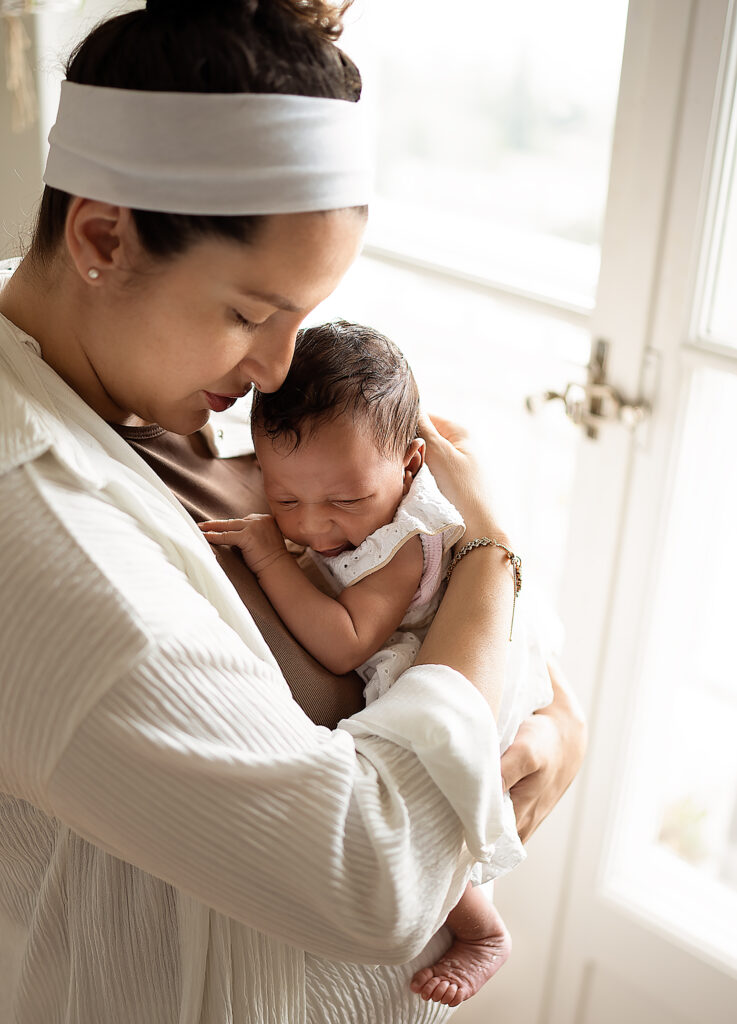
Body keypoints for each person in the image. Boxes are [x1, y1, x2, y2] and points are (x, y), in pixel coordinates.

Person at [0, 3, 586, 1023]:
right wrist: (496, 554)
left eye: (299, 316)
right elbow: (372, 874)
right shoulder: (45, 534)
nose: (277, 371)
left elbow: (518, 695)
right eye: (248, 314)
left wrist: (552, 729)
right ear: (101, 236)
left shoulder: (139, 371)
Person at [199, 320, 559, 1007]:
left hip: (456, 668)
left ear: (412, 463)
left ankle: (482, 929)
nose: (313, 526)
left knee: (429, 773)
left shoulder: (406, 541)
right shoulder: (340, 489)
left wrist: (272, 554)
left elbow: (345, 642)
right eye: (284, 499)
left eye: (344, 500)